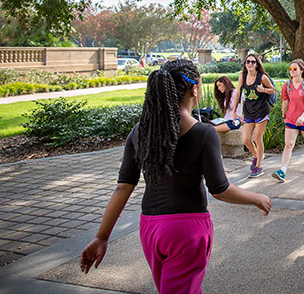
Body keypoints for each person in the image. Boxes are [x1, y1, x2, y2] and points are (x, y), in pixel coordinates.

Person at [79, 59, 271, 294]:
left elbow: (122, 188)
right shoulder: (204, 133)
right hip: (187, 231)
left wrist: (101, 237)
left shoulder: (140, 131)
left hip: (150, 229)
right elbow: (219, 189)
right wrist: (256, 197)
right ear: (194, 89)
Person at [272, 59, 304, 182]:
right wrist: (284, 116)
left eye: (295, 69)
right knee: (288, 145)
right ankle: (282, 171)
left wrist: (302, 117)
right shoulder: (287, 85)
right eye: (290, 69)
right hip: (291, 119)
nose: (292, 71)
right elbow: (285, 102)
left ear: (301, 70)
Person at [233, 54, 276, 178]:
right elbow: (238, 94)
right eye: (248, 62)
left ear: (257, 64)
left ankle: (259, 166)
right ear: (245, 64)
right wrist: (235, 111)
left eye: (253, 62)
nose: (250, 64)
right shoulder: (243, 76)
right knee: (246, 140)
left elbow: (272, 90)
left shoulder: (262, 77)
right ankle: (257, 156)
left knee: (257, 138)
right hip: (248, 111)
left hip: (261, 111)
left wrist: (264, 90)